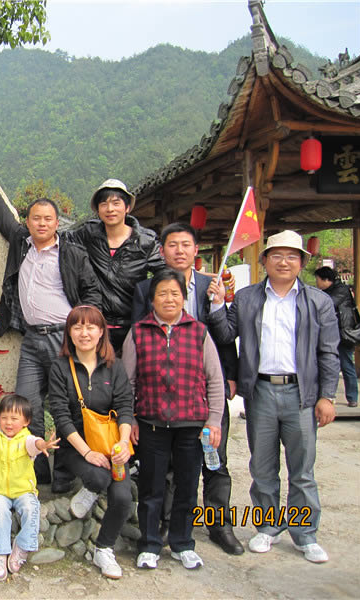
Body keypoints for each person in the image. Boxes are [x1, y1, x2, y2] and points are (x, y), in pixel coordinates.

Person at [208, 231, 339, 563]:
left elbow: (328, 352)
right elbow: (226, 334)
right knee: (263, 466)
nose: (284, 262)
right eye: (276, 255)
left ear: (302, 263)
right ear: (265, 260)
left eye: (292, 256)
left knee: (302, 469)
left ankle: (305, 534)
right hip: (261, 391)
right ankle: (267, 528)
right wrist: (218, 304)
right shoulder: (248, 298)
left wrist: (327, 396)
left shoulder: (318, 301)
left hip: (301, 394)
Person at [0, 167, 100, 488]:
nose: (41, 223)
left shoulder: (72, 253)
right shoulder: (22, 243)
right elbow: (4, 219)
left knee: (66, 404)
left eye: (48, 219)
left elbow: (92, 292)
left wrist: (83, 329)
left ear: (57, 223)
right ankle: (39, 471)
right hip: (31, 339)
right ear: (28, 221)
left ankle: (66, 475)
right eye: (36, 218)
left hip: (63, 338)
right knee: (28, 403)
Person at [131, 222, 243, 555]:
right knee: (167, 468)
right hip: (162, 396)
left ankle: (219, 524)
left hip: (206, 388)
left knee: (214, 459)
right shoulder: (148, 288)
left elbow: (226, 336)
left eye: (186, 245)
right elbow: (140, 334)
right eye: (172, 245)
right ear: (162, 250)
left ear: (196, 249)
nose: (179, 251)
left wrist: (220, 307)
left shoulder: (214, 284)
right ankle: (169, 526)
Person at [123, 268, 225, 571]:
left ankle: (183, 543)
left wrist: (214, 420)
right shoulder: (138, 332)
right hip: (151, 423)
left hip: (191, 425)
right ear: (152, 299)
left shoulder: (199, 331)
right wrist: (131, 420)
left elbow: (215, 379)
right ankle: (149, 544)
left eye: (175, 293)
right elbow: (128, 383)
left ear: (183, 297)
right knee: (151, 488)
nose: (169, 299)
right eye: (162, 293)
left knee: (187, 487)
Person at [48, 305, 134, 579]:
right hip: (76, 447)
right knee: (98, 476)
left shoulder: (114, 366)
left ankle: (103, 549)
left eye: (90, 327)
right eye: (77, 327)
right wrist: (87, 453)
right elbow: (61, 416)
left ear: (101, 332)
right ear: (69, 333)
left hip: (110, 444)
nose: (84, 333)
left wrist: (123, 444)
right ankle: (91, 488)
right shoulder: (60, 367)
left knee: (123, 497)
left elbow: (125, 407)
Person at [0, 394, 59, 581]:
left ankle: (22, 547)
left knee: (31, 508)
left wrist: (43, 444)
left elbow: (34, 444)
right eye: (4, 417)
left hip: (23, 490)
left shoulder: (26, 438)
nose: (8, 422)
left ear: (26, 421)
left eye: (14, 418)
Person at [66, 179, 165, 353]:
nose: (110, 209)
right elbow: (56, 241)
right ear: (98, 210)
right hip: (96, 327)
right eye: (104, 204)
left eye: (116, 203)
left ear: (127, 208)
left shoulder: (145, 241)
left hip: (133, 326)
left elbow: (164, 274)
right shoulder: (88, 235)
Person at [314, 266, 360, 407]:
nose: (316, 283)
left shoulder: (341, 290)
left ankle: (352, 397)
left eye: (317, 279)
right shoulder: (325, 292)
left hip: (343, 334)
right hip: (329, 333)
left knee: (346, 366)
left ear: (326, 279)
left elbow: (329, 304)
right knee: (325, 365)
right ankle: (326, 396)